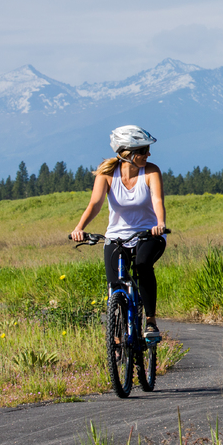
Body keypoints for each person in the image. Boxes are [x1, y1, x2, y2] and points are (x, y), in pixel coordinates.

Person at [70, 125, 167, 341]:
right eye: (142, 151)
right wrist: (79, 228)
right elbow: (95, 204)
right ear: (127, 154)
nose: (147, 154)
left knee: (142, 265)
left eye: (146, 150)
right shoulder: (107, 175)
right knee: (115, 286)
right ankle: (116, 335)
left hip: (148, 234)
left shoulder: (151, 171)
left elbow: (158, 200)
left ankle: (150, 321)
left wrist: (159, 223)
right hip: (116, 236)